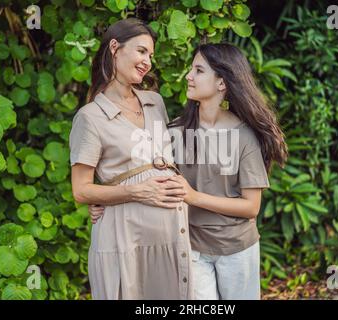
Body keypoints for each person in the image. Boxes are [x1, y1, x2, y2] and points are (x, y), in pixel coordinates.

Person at [89, 43, 288, 299]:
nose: (189, 76)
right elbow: (141, 176)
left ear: (221, 83)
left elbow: (251, 207)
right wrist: (105, 200)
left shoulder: (243, 136)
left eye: (199, 70)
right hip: (189, 247)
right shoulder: (174, 132)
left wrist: (193, 196)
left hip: (237, 249)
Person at [70, 18, 193, 300]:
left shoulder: (155, 102)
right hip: (124, 238)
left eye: (150, 55)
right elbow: (81, 190)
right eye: (141, 51)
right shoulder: (90, 118)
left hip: (171, 235)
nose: (147, 61)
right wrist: (137, 192)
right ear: (115, 47)